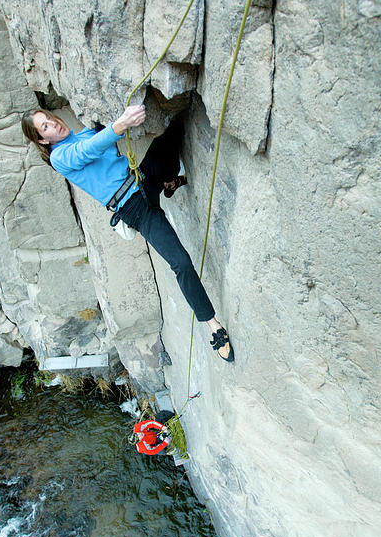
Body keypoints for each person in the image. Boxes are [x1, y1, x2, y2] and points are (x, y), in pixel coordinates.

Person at [21, 104, 234, 362]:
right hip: (135, 210)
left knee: (168, 138)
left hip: (140, 180)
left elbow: (97, 139)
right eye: (45, 126)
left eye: (51, 119)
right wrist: (120, 124)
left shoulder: (83, 134)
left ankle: (170, 182)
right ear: (42, 139)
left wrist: (110, 124)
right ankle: (213, 325)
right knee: (181, 262)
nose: (54, 124)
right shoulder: (60, 157)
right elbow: (88, 150)